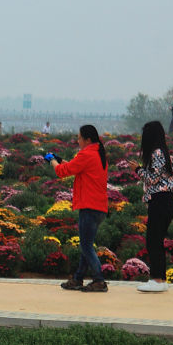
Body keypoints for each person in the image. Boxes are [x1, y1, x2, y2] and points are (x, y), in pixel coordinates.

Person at [47, 124, 109, 292]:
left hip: (89, 206)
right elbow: (76, 167)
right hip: (99, 206)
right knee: (86, 244)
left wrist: (52, 161)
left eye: (79, 137)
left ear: (87, 140)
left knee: (86, 246)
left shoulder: (87, 153)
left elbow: (62, 172)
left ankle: (99, 280)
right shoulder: (97, 153)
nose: (77, 140)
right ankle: (78, 278)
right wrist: (62, 161)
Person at [135, 120, 173, 293]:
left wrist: (137, 170)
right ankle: (160, 279)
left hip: (160, 201)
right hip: (164, 201)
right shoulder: (165, 153)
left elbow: (152, 178)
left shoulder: (157, 153)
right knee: (156, 240)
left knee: (153, 240)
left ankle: (156, 279)